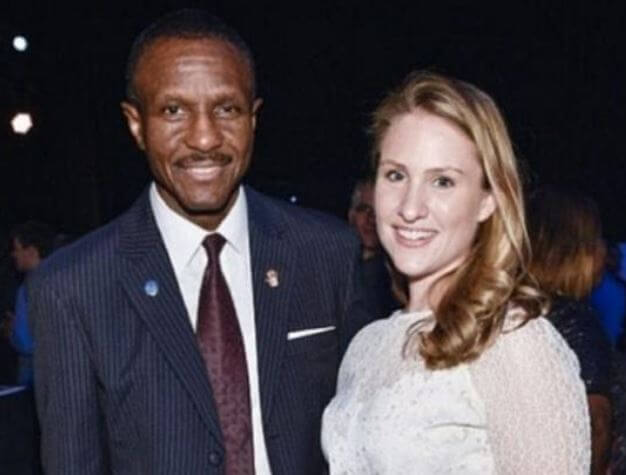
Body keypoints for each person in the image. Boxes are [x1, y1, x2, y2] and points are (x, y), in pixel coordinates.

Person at [29, 9, 371, 474]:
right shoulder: (71, 288)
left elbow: (364, 436)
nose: (205, 138)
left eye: (226, 109)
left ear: (253, 118)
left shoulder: (327, 252)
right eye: (174, 111)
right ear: (136, 124)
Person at [322, 71, 590, 473]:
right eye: (396, 175)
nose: (410, 207)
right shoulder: (367, 344)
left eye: (443, 182)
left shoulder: (514, 343)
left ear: (488, 201)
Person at [527, 186, 613, 475]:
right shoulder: (576, 321)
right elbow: (595, 421)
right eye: (598, 240)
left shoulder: (514, 312)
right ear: (572, 251)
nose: (605, 251)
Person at [8, 221, 56, 386]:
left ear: (31, 251)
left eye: (16, 248)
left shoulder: (27, 288)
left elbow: (24, 341)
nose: (13, 254)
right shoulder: (64, 279)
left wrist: (11, 331)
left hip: (34, 381)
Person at [348, 178, 398, 317]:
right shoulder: (329, 267)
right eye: (365, 209)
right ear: (351, 215)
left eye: (379, 212)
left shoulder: (397, 283)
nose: (371, 219)